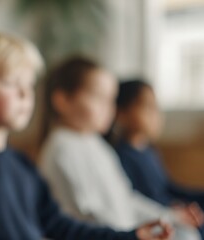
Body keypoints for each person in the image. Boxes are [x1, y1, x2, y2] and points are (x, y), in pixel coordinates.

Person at [0, 32, 172, 240]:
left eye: (29, 84)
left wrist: (129, 236)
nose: (25, 94)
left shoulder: (22, 164)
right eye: (12, 83)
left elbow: (59, 225)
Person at [39, 56, 203, 240]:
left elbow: (126, 199)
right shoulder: (62, 148)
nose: (109, 108)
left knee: (186, 234)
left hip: (124, 234)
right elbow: (88, 215)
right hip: (108, 236)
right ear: (62, 100)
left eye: (111, 100)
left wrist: (170, 216)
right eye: (99, 97)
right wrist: (130, 235)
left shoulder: (96, 144)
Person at [113, 79, 204, 224]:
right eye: (148, 107)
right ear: (122, 113)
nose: (156, 114)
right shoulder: (120, 156)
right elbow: (141, 201)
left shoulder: (148, 150)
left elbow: (168, 188)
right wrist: (175, 212)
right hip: (159, 218)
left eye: (156, 107)